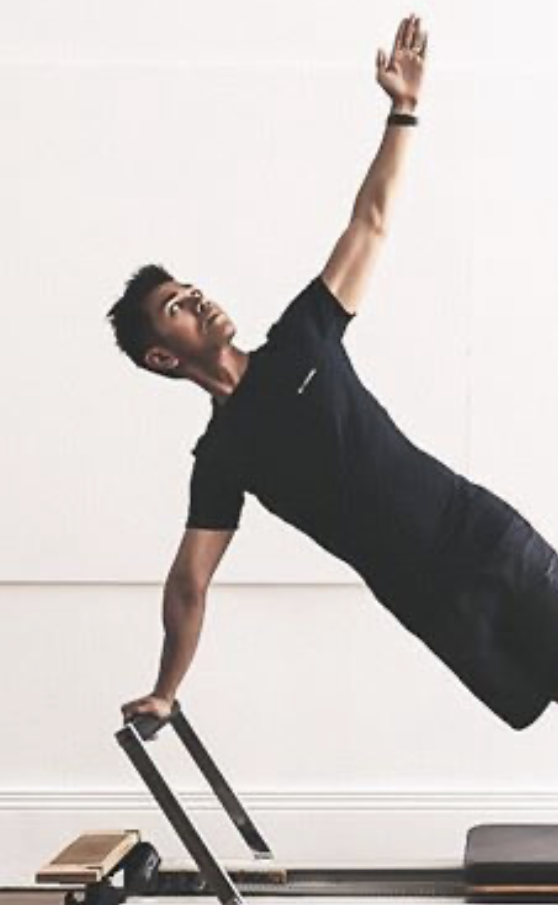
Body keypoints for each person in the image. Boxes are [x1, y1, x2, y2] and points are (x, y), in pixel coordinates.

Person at [108, 14, 558, 732]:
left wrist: (403, 109)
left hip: (485, 541)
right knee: (534, 707)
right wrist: (166, 689)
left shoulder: (302, 337)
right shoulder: (221, 458)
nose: (198, 299)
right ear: (162, 356)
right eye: (176, 307)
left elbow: (370, 221)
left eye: (192, 289)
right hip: (432, 605)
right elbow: (190, 583)